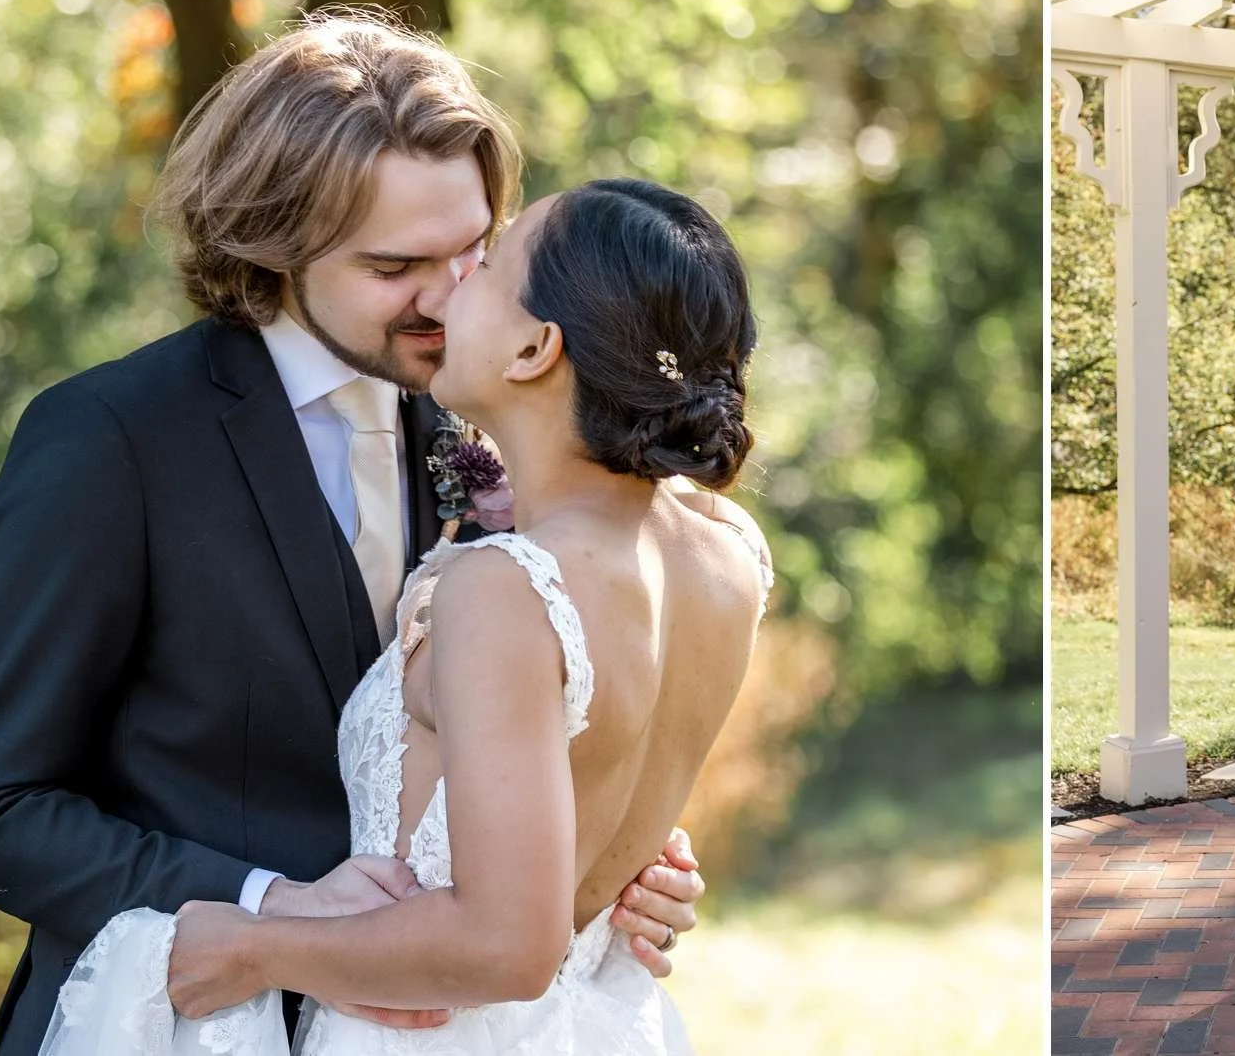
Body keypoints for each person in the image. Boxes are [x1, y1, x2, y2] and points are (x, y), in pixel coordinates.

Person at [0, 13, 705, 1056]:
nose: (449, 298)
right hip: (173, 1023)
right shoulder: (109, 440)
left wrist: (608, 856)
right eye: (396, 267)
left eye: (473, 251)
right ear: (273, 245)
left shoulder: (504, 427)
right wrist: (269, 902)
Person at [41, 179, 769, 1054]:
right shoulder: (727, 551)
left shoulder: (503, 587)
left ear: (536, 347)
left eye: (487, 267)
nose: (448, 288)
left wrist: (251, 948)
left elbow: (505, 943)